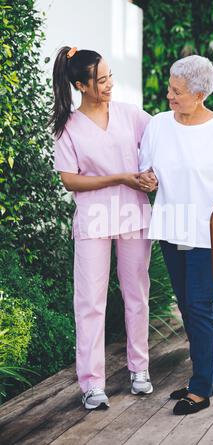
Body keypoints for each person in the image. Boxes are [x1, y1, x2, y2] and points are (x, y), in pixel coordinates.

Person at [138, 55, 213, 415]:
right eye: (170, 88)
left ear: (200, 94)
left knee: (199, 304)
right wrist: (148, 179)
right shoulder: (158, 125)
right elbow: (147, 168)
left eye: (177, 92)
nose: (169, 96)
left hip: (209, 229)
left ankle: (201, 388)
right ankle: (207, 375)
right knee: (187, 304)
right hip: (173, 227)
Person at [50, 46, 155, 410]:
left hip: (133, 217)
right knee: (90, 303)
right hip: (93, 221)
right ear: (80, 85)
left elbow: (156, 153)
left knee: (136, 296)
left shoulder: (133, 116)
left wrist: (151, 176)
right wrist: (121, 178)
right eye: (101, 80)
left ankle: (139, 370)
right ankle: (92, 383)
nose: (110, 84)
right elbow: (69, 180)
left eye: (110, 76)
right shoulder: (69, 128)